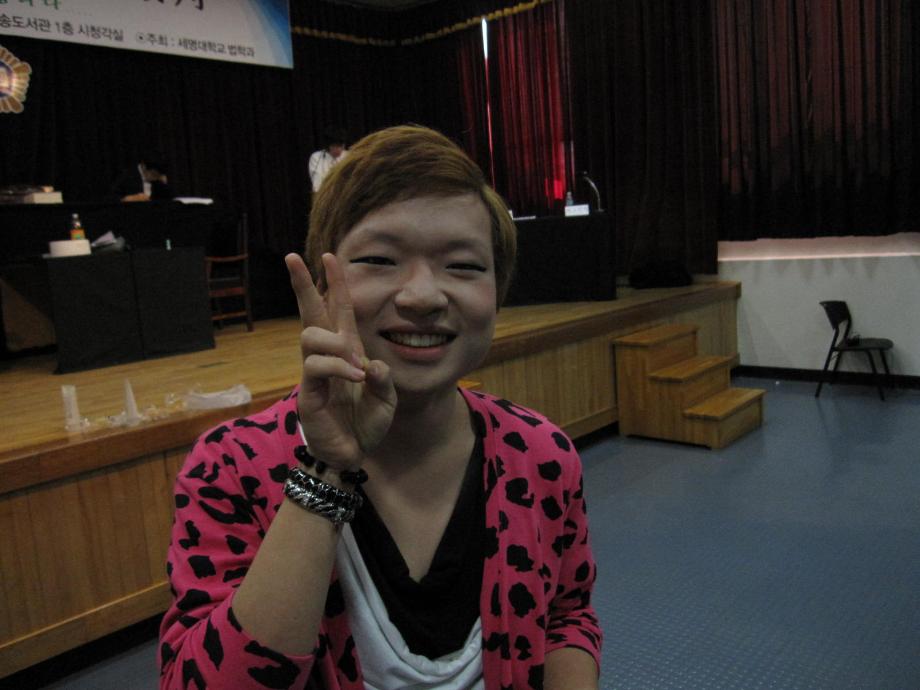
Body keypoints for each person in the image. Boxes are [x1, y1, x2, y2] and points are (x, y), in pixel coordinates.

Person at [159, 125, 602, 689]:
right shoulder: (230, 466)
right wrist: (327, 471)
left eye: (464, 266)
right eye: (379, 259)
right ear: (323, 282)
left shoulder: (540, 454)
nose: (422, 296)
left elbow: (565, 615)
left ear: (498, 290)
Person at [308, 126, 348, 192]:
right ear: (328, 146)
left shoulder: (347, 156)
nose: (340, 149)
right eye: (336, 146)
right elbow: (317, 184)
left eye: (342, 146)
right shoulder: (316, 157)